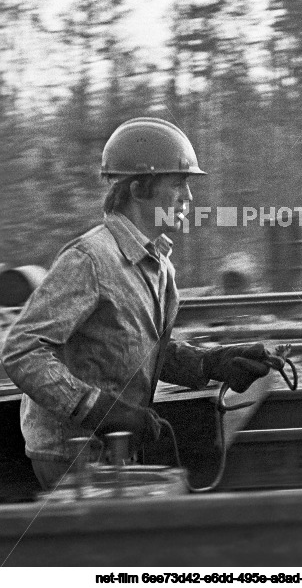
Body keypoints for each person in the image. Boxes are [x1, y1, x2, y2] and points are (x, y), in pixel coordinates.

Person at [1, 117, 270, 490]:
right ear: (140, 188)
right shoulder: (91, 259)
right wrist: (97, 409)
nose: (188, 199)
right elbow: (21, 350)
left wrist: (210, 363)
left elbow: (139, 345)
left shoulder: (159, 264)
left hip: (113, 447)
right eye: (178, 185)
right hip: (72, 455)